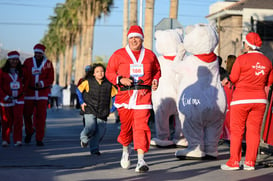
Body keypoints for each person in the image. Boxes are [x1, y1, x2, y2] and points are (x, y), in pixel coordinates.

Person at [106, 25, 161, 173]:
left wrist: (155, 80)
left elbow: (157, 70)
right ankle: (125, 150)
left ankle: (141, 160)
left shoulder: (150, 55)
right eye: (131, 37)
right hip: (125, 96)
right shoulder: (118, 54)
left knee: (141, 127)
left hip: (143, 97)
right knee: (126, 128)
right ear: (128, 39)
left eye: (137, 37)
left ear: (142, 39)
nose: (134, 40)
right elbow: (109, 73)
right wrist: (119, 79)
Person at [221, 32, 273, 171]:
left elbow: (234, 77)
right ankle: (250, 162)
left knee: (237, 131)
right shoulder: (267, 61)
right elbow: (269, 82)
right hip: (260, 100)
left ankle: (234, 162)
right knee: (254, 132)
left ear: (247, 45)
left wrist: (229, 80)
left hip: (241, 100)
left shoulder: (241, 59)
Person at [76, 63, 117, 155]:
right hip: (89, 108)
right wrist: (82, 102)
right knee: (91, 127)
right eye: (97, 72)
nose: (100, 73)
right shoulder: (87, 82)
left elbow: (115, 96)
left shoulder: (109, 84)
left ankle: (94, 150)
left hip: (103, 111)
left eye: (102, 71)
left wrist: (113, 108)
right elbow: (78, 90)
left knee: (100, 132)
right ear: (93, 73)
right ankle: (84, 137)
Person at [23, 43, 54, 146]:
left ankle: (39, 138)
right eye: (36, 53)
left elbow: (51, 78)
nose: (37, 54)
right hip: (29, 93)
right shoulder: (27, 62)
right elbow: (22, 74)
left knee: (41, 117)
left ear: (43, 53)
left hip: (42, 93)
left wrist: (42, 83)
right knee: (27, 115)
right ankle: (29, 131)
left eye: (40, 53)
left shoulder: (48, 63)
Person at [0, 51, 24, 147]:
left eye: (16, 60)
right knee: (6, 120)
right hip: (6, 100)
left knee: (18, 120)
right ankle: (5, 139)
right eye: (12, 59)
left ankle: (18, 139)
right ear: (8, 60)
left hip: (19, 99)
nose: (14, 61)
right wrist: (5, 97)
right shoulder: (2, 72)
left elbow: (26, 82)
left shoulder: (22, 71)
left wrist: (23, 92)